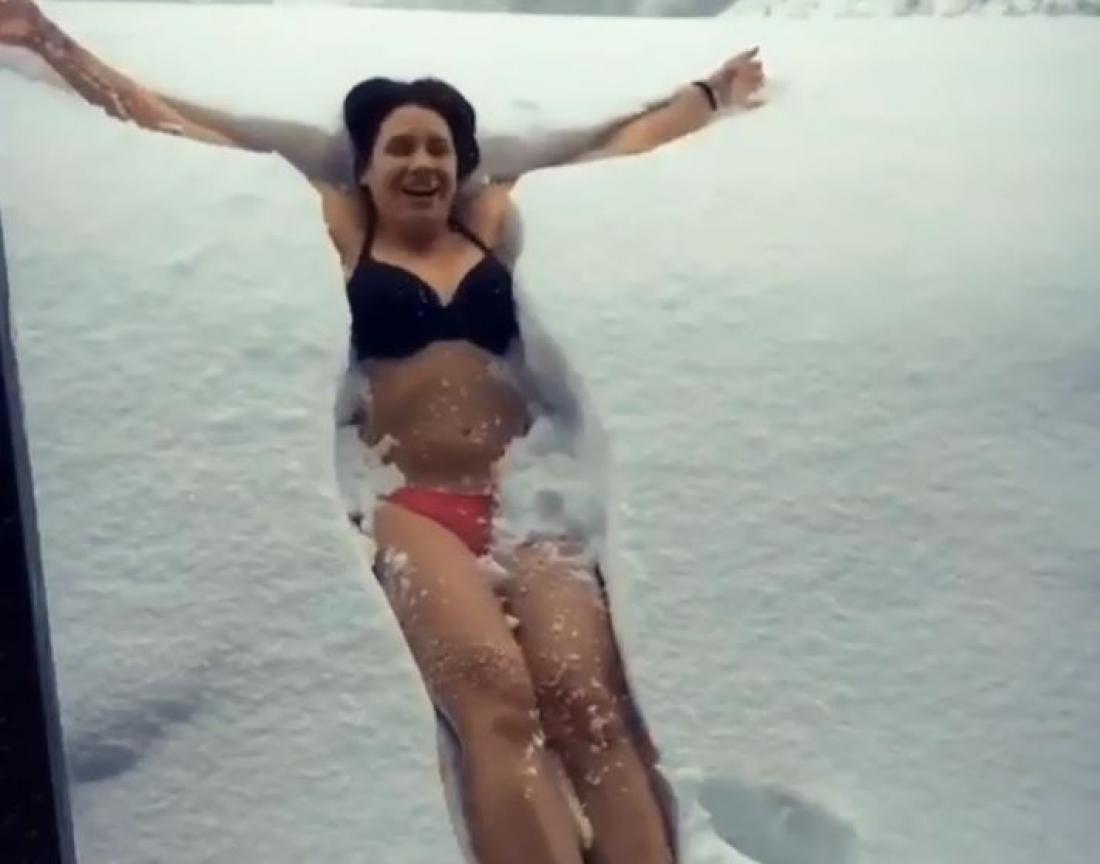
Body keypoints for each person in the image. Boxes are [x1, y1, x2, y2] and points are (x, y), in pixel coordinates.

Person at [0, 2, 766, 862]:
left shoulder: (487, 220)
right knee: (496, 703)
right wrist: (52, 43)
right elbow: (182, 131)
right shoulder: (345, 228)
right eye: (400, 147)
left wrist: (709, 96)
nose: (421, 162)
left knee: (589, 705)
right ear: (365, 168)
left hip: (531, 496)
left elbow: (612, 153)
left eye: (438, 148)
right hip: (414, 505)